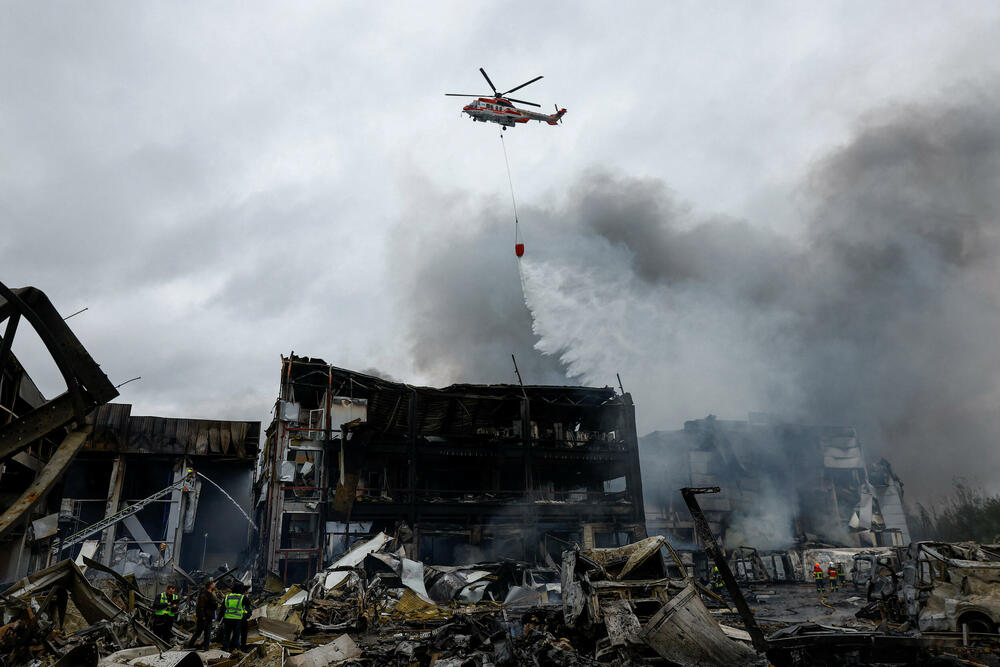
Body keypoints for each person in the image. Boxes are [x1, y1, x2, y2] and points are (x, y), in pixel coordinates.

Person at [187, 578, 218, 651]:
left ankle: (206, 647)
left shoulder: (210, 594)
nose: (214, 585)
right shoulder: (204, 595)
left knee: (207, 633)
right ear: (210, 586)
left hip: (208, 616)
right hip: (204, 617)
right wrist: (203, 616)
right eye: (213, 584)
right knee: (199, 632)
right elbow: (200, 607)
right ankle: (191, 645)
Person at [221, 582, 251, 652]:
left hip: (227, 619)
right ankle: (236, 649)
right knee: (236, 635)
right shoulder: (242, 598)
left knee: (227, 635)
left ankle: (225, 649)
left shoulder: (227, 596)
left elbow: (223, 608)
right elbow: (248, 607)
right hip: (237, 619)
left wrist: (220, 619)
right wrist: (246, 615)